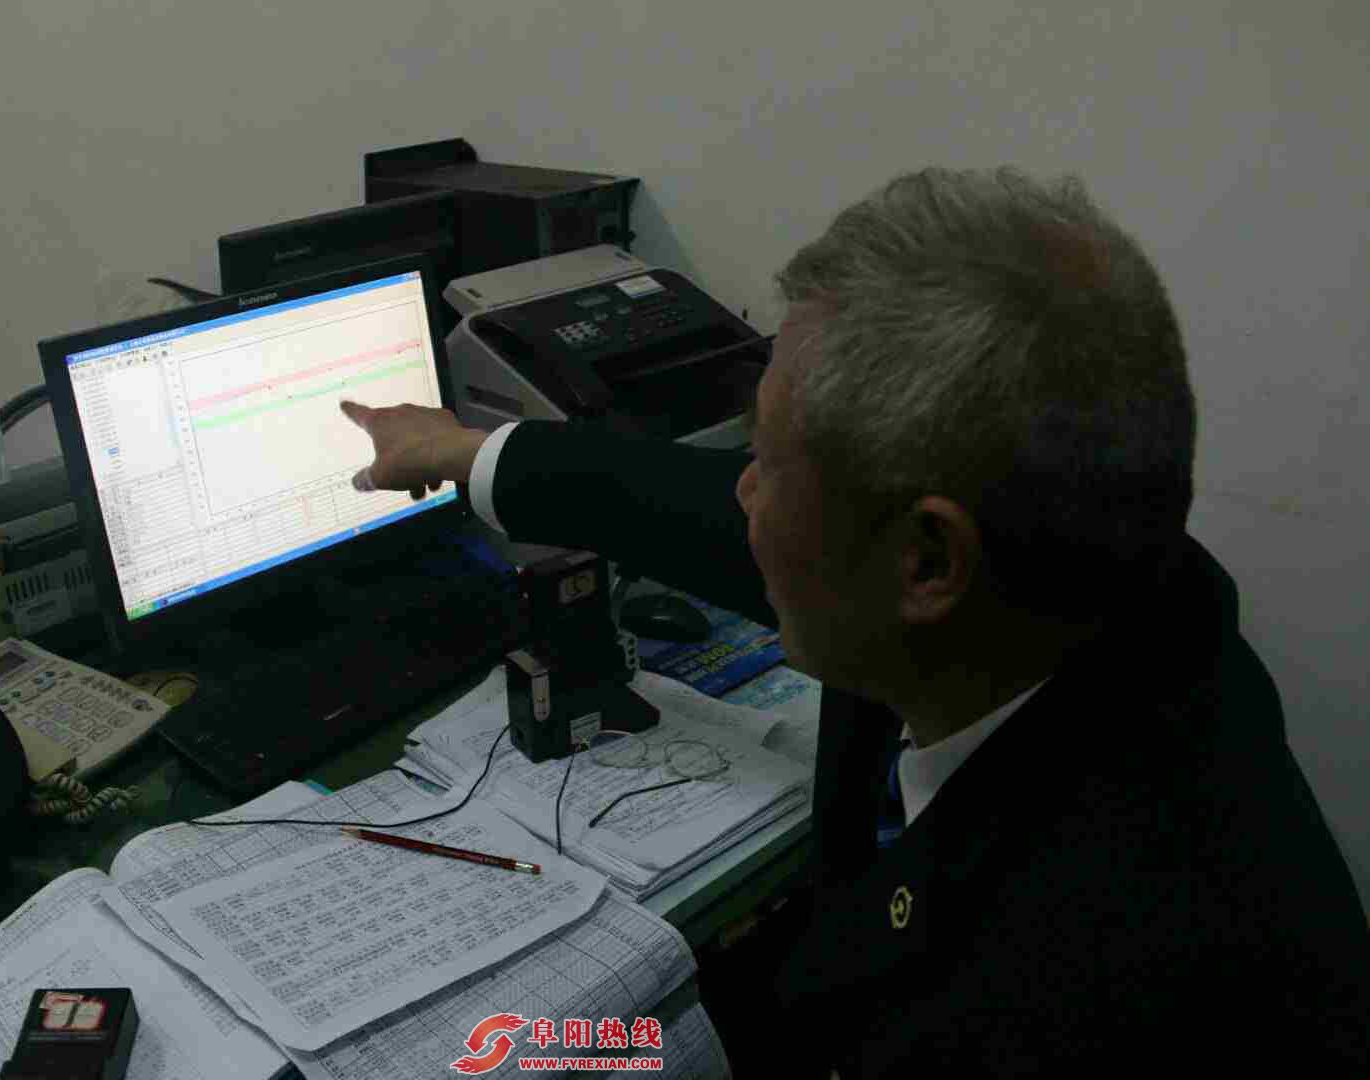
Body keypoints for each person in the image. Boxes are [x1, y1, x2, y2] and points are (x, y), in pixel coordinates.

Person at [340, 167, 1370, 1076]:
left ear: (924, 562)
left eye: (768, 462)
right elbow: (693, 511)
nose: (741, 492)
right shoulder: (1096, 580)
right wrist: (468, 451)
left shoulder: (1080, 990)